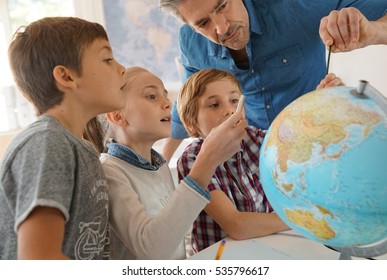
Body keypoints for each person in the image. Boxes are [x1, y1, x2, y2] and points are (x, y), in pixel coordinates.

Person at [159, 0, 387, 161]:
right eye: (202, 24)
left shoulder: (294, 5)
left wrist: (372, 31)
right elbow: (186, 110)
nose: (222, 28)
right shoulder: (190, 42)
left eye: (222, 6)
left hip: (320, 149)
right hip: (253, 164)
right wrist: (159, 170)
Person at [85, 67, 247, 259]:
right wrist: (207, 161)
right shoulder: (111, 173)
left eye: (165, 95)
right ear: (117, 115)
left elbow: (177, 237)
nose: (167, 104)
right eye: (152, 96)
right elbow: (152, 251)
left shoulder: (159, 166)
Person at [0, 17, 126, 260]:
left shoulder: (82, 148)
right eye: (107, 59)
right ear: (67, 77)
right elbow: (39, 261)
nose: (121, 69)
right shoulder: (48, 143)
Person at [176, 68, 290, 251]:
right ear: (191, 122)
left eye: (234, 101)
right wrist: (298, 219)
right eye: (214, 105)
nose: (229, 110)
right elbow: (237, 226)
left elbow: (298, 141)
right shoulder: (192, 160)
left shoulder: (257, 139)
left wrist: (320, 104)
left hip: (266, 250)